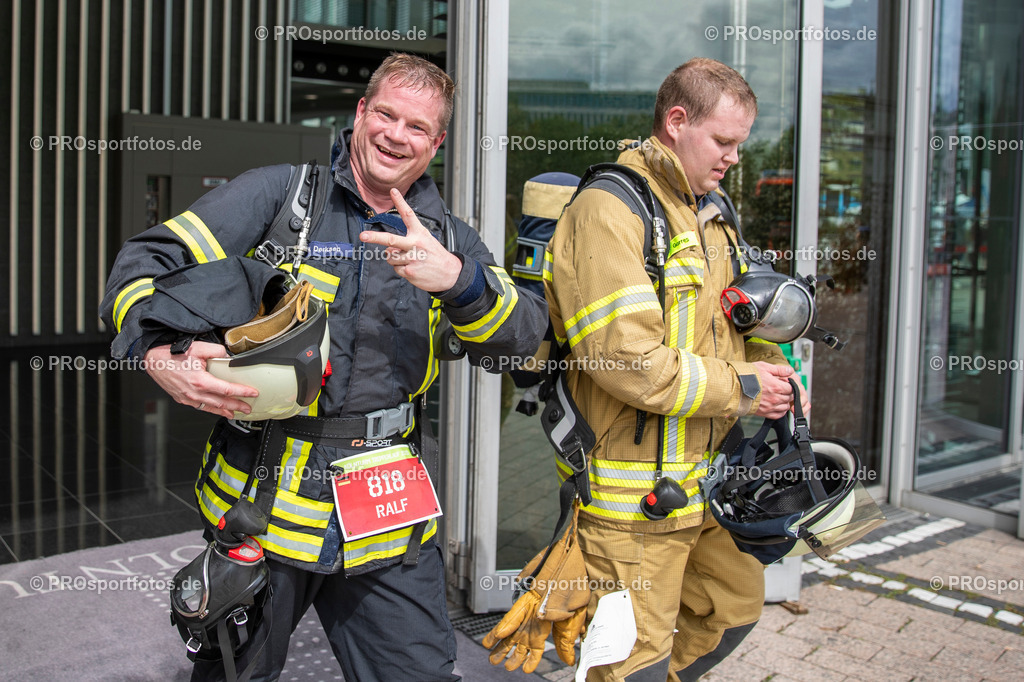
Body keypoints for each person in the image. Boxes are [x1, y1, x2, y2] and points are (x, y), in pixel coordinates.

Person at [101, 53, 547, 681]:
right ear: (361, 112)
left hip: (387, 518)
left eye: (417, 127)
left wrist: (457, 281)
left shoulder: (447, 237)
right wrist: (157, 353)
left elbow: (522, 339)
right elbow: (145, 262)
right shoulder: (280, 197)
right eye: (385, 114)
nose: (396, 135)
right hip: (264, 508)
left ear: (438, 142)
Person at [543, 58, 809, 681]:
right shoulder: (610, 210)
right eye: (724, 141)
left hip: (706, 488)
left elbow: (740, 322)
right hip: (631, 502)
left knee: (733, 608)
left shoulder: (711, 211)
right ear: (677, 121)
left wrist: (774, 369)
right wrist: (746, 390)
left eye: (740, 144)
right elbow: (629, 363)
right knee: (628, 663)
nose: (734, 159)